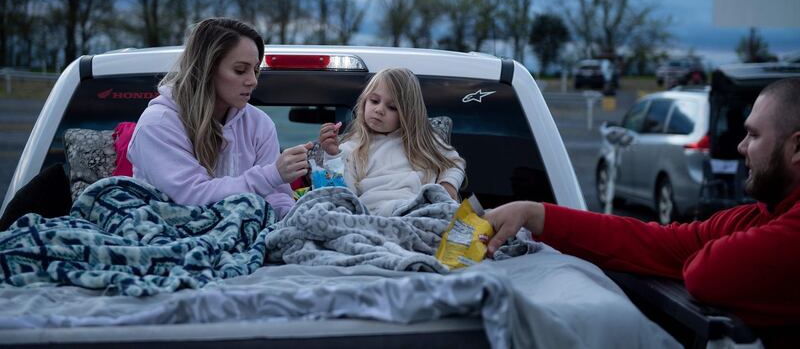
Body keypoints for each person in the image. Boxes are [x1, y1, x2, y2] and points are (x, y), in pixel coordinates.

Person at [484, 78, 800, 346]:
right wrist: (537, 214)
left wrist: (695, 253)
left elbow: (704, 273)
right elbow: (654, 241)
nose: (741, 147)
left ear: (796, 148)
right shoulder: (759, 216)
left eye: (754, 135)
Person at [127, 18, 311, 220]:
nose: (253, 81)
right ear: (206, 69)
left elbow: (277, 196)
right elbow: (190, 197)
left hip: (248, 241)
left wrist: (294, 222)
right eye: (240, 70)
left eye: (255, 70)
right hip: (172, 242)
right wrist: (271, 175)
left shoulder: (260, 124)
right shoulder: (158, 124)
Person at [318, 67, 465, 216]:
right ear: (364, 101)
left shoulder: (423, 141)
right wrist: (332, 156)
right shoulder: (351, 148)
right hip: (372, 217)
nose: (379, 109)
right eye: (374, 101)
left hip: (418, 211)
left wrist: (447, 186)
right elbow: (344, 195)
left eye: (392, 107)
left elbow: (454, 162)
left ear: (408, 114)